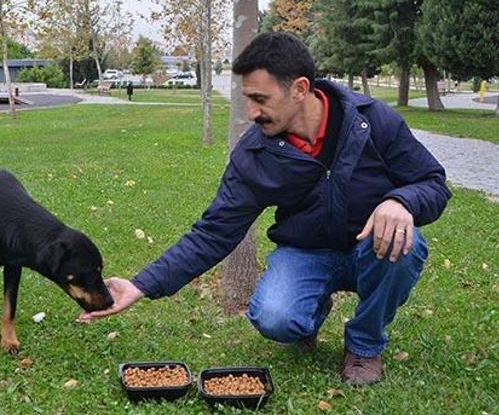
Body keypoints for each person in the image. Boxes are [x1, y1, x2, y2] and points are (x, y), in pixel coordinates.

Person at [79, 32, 451, 386]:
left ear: (300, 89)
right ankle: (309, 315)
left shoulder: (372, 121)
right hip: (305, 251)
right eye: (247, 99)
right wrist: (141, 285)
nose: (252, 112)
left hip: (371, 247)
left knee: (406, 244)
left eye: (261, 99)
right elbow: (214, 232)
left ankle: (364, 346)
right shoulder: (255, 153)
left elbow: (433, 182)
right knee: (275, 318)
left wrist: (401, 201)